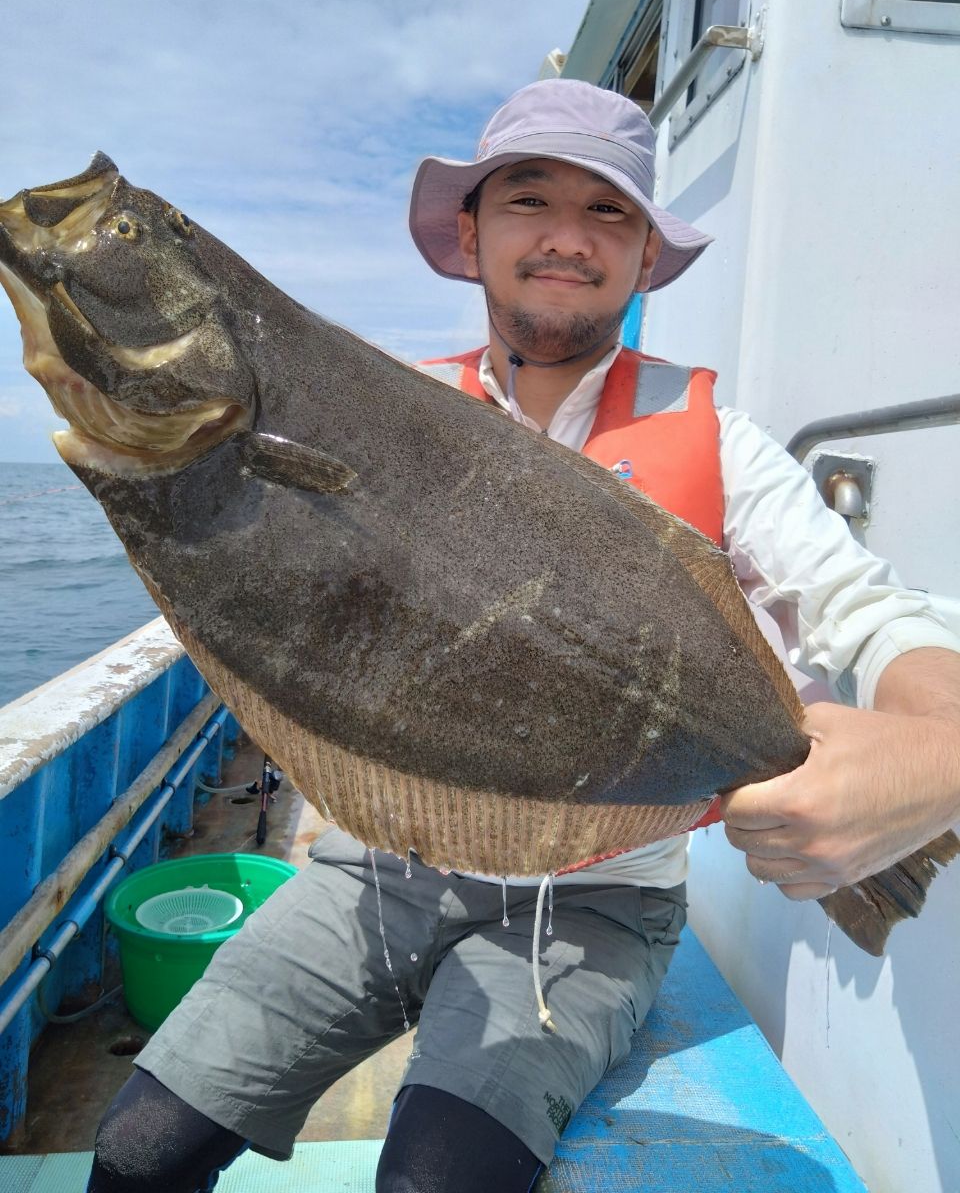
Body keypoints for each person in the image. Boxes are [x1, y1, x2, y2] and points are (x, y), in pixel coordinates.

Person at [87, 80, 960, 1192]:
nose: (564, 237)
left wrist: (938, 749)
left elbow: (879, 614)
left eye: (609, 214)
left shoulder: (725, 447)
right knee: (135, 1154)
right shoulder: (385, 405)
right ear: (471, 233)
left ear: (647, 255)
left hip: (595, 902)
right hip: (374, 874)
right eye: (529, 198)